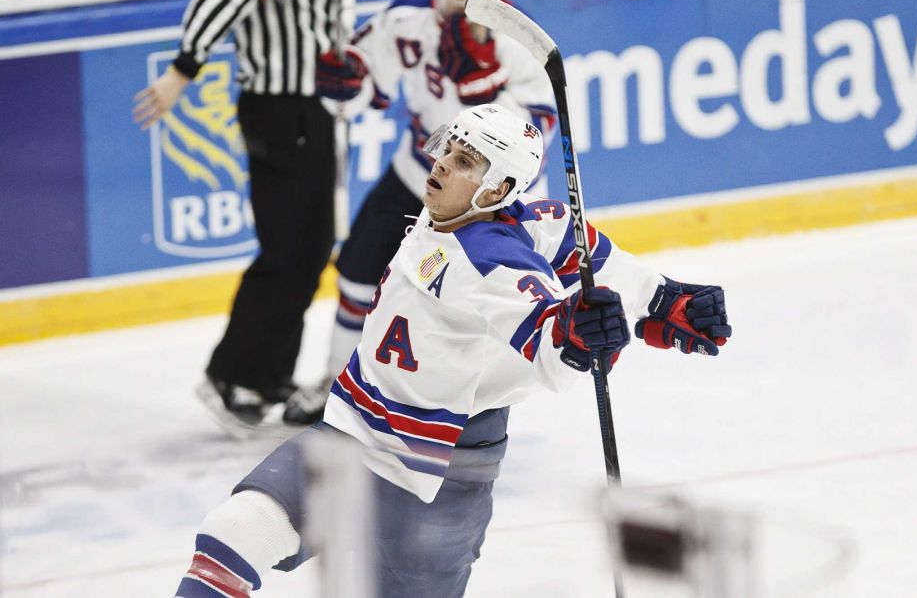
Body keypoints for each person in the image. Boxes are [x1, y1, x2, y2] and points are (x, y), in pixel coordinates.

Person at [173, 104, 733, 597]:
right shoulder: (501, 217)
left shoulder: (488, 262)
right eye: (450, 148)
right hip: (352, 432)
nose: (441, 163)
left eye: (466, 161)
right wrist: (662, 297)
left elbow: (542, 329)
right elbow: (571, 239)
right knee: (234, 532)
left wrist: (572, 335)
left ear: (496, 191)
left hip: (437, 471)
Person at [281, 0, 558, 425]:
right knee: (357, 273)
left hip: (487, 197)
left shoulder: (519, 37)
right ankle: (337, 384)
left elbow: (538, 132)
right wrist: (344, 83)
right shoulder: (407, 17)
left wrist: (482, 86)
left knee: (467, 305)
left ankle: (461, 408)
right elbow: (363, 81)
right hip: (422, 171)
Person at [133, 0, 355, 437]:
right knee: (290, 249)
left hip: (311, 108)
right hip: (282, 109)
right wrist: (182, 69)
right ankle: (233, 376)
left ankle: (268, 375)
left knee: (309, 249)